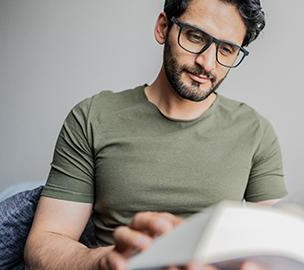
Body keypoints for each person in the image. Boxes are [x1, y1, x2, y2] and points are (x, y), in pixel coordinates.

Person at [24, 0, 287, 269]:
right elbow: (46, 240)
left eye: (227, 50)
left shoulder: (255, 131)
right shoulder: (92, 117)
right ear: (163, 28)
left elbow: (278, 249)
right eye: (195, 37)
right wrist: (102, 261)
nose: (207, 63)